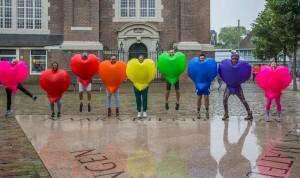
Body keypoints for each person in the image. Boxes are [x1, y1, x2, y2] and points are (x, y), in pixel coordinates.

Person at [222, 52, 253, 121]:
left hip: (237, 87)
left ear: (238, 59)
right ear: (231, 59)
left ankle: (249, 113)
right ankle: (226, 114)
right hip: (229, 87)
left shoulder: (240, 66)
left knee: (243, 100)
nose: (234, 60)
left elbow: (247, 67)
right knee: (224, 99)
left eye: (236, 59)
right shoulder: (228, 65)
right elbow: (222, 68)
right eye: (233, 59)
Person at [197, 54, 211, 119]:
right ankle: (198, 112)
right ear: (199, 59)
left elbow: (210, 74)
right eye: (201, 58)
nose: (202, 59)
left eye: (203, 58)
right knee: (199, 98)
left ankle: (207, 111)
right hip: (199, 84)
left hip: (206, 84)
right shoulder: (197, 66)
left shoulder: (207, 66)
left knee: (206, 98)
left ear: (204, 59)